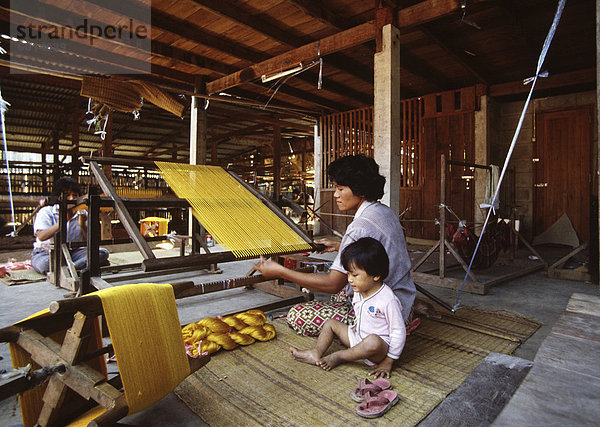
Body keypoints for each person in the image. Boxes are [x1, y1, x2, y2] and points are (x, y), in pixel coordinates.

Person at [255, 154, 416, 336]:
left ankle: (364, 336)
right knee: (342, 293)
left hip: (383, 316)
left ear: (360, 190)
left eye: (340, 189)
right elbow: (378, 248)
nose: (335, 195)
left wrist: (279, 271)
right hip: (402, 300)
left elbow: (333, 283)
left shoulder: (359, 227)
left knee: (297, 315)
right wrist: (342, 246)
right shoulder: (384, 212)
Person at [290, 237, 406, 378]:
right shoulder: (359, 291)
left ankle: (339, 356)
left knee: (373, 341)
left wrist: (389, 360)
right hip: (357, 338)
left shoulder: (388, 300)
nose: (350, 279)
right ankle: (315, 352)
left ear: (376, 275)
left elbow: (398, 331)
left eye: (355, 275)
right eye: (349, 273)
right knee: (330, 324)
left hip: (378, 350)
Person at [31, 177, 109, 275]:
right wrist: (64, 220)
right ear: (58, 197)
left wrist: (83, 226)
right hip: (47, 253)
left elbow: (88, 242)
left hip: (73, 252)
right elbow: (41, 236)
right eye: (67, 195)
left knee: (102, 253)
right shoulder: (47, 212)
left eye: (74, 195)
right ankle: (80, 265)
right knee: (45, 264)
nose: (71, 199)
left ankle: (72, 268)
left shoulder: (81, 213)